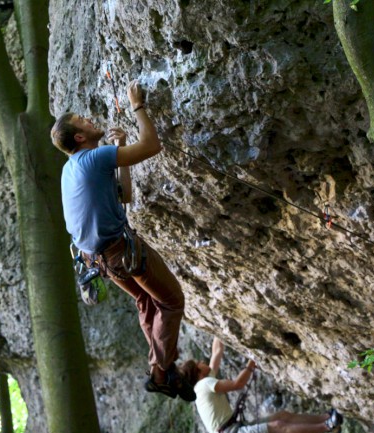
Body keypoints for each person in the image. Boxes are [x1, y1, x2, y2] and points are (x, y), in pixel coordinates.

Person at [51, 80, 195, 402]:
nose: (91, 121)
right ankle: (160, 372)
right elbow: (152, 146)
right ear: (79, 137)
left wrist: (122, 149)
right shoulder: (94, 158)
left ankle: (165, 368)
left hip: (99, 260)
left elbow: (124, 194)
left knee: (146, 301)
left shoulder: (71, 168)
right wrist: (137, 106)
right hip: (121, 253)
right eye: (84, 122)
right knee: (172, 301)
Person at [180, 337, 344, 433]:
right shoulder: (204, 384)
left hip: (234, 427)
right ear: (198, 373)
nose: (202, 362)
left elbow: (217, 352)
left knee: (282, 416)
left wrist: (218, 329)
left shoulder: (203, 383)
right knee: (278, 426)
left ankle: (326, 417)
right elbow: (238, 384)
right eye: (199, 363)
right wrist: (252, 361)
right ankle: (327, 426)